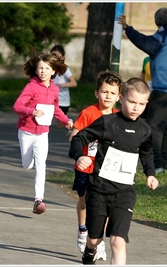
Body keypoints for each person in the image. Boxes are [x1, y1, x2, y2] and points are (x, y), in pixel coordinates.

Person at [69, 77, 159, 265]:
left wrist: (150, 173)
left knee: (118, 241)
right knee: (95, 239)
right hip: (99, 190)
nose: (136, 108)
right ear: (122, 98)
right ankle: (89, 250)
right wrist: (79, 156)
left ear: (147, 103)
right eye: (132, 102)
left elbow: (147, 153)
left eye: (141, 104)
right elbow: (79, 138)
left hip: (124, 192)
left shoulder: (144, 129)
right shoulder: (107, 122)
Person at [118, 8, 167, 173]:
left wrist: (128, 28)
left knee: (153, 126)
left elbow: (144, 42)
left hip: (164, 88)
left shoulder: (161, 36)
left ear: (157, 21)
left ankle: (157, 164)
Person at [68, 70, 122, 261]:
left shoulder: (119, 117)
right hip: (86, 166)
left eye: (112, 93)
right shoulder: (88, 113)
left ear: (119, 96)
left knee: (104, 207)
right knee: (84, 200)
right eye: (104, 91)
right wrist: (80, 150)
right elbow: (74, 137)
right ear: (96, 93)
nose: (108, 96)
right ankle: (83, 230)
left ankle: (97, 241)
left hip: (107, 169)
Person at [13, 50, 73, 214]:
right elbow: (17, 106)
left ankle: (38, 200)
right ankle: (29, 159)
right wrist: (32, 112)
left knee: (42, 165)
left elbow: (55, 109)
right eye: (40, 68)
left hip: (42, 133)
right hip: (26, 131)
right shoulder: (31, 86)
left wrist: (66, 121)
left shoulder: (54, 89)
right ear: (36, 69)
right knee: (27, 165)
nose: (43, 71)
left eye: (47, 68)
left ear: (53, 71)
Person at [50, 45, 77, 129]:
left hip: (63, 101)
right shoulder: (49, 68)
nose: (55, 58)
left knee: (60, 125)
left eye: (57, 56)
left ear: (63, 57)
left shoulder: (64, 69)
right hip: (52, 100)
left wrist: (59, 86)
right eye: (53, 55)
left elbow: (74, 83)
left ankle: (71, 125)